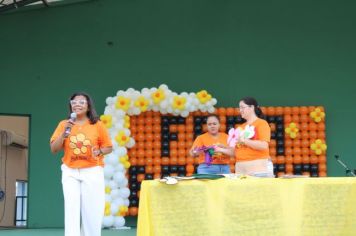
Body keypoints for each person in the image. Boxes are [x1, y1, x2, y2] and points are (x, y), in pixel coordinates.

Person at [50, 92, 113, 236]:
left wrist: (99, 152)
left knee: (92, 210)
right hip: (70, 171)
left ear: (88, 106)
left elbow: (108, 147)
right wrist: (64, 134)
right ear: (70, 106)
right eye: (74, 102)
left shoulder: (97, 125)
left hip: (92, 170)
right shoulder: (63, 124)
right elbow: (54, 148)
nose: (77, 104)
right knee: (71, 207)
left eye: (81, 102)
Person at [234, 97, 274, 177]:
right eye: (239, 108)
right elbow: (235, 150)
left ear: (252, 107)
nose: (240, 110)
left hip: (257, 167)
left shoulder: (262, 123)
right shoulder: (239, 127)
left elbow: (263, 145)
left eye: (242, 107)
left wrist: (244, 140)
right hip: (240, 169)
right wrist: (221, 149)